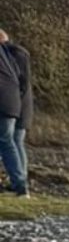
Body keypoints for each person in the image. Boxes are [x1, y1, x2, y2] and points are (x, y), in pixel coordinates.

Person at [0, 28, 28, 197]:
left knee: (6, 142)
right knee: (9, 142)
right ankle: (20, 184)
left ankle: (19, 184)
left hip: (3, 102)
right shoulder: (7, 55)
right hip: (12, 102)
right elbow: (19, 77)